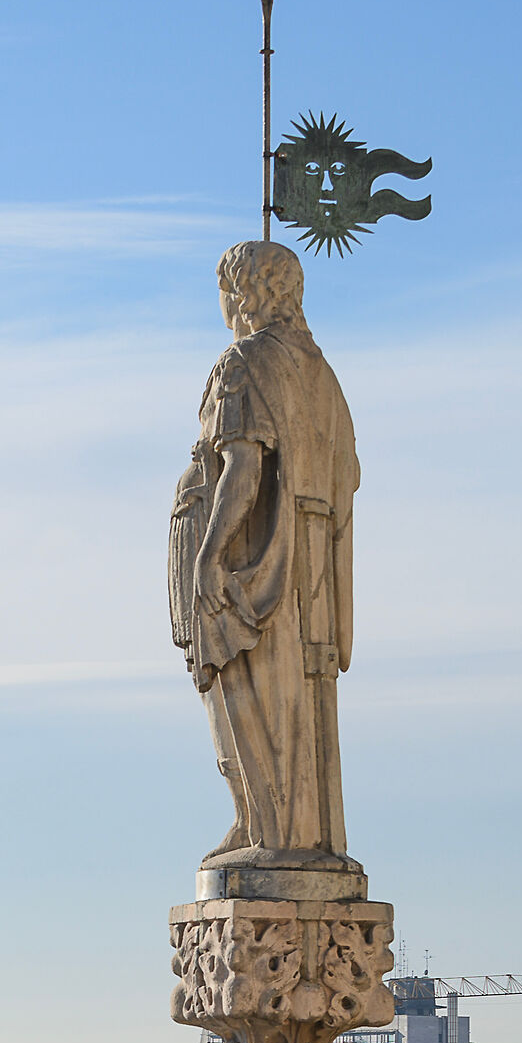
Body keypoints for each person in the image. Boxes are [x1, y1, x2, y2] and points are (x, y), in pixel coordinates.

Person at [169, 240, 359, 868]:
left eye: (225, 290)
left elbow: (242, 467)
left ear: (245, 291)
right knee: (301, 692)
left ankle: (265, 823)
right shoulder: (323, 377)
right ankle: (295, 831)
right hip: (313, 566)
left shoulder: (243, 363)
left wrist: (210, 554)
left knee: (244, 683)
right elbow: (342, 481)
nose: (222, 305)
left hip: (260, 561)